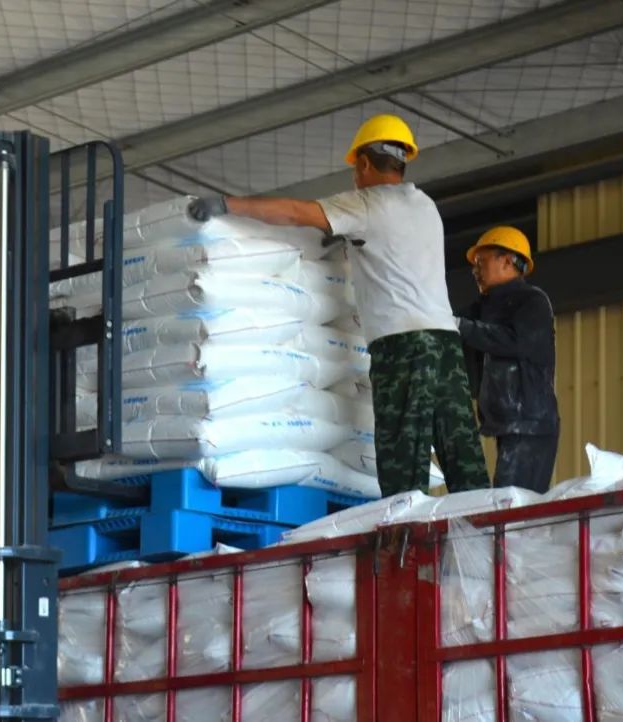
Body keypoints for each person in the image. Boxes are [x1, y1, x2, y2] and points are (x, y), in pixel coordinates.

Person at [188, 114, 489, 497]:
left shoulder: (365, 204)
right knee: (462, 455)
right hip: (446, 345)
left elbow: (295, 213)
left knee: (403, 459)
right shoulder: (425, 205)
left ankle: (404, 533)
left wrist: (227, 205)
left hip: (403, 347)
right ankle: (487, 526)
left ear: (363, 163)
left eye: (355, 169)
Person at [456, 226, 559, 492]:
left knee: (511, 502)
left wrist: (461, 327)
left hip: (530, 423)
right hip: (506, 423)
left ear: (507, 260)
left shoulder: (532, 302)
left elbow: (516, 341)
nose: (475, 270)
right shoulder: (483, 308)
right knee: (506, 498)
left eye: (482, 261)